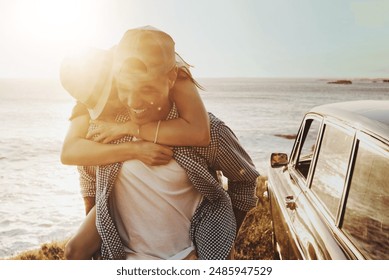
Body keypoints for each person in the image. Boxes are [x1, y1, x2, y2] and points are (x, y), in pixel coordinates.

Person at [61, 26, 259, 260]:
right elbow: (86, 170)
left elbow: (244, 179)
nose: (133, 101)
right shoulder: (106, 125)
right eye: (124, 89)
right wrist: (99, 225)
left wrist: (222, 242)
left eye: (146, 89)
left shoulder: (205, 129)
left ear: (171, 79)